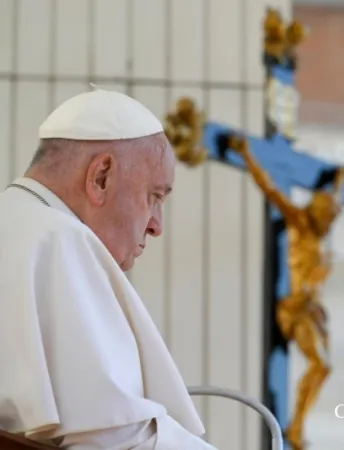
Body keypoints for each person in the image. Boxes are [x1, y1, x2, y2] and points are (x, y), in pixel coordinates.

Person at [0, 88, 217, 449]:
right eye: (155, 196)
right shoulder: (59, 240)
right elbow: (116, 440)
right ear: (100, 177)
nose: (156, 225)